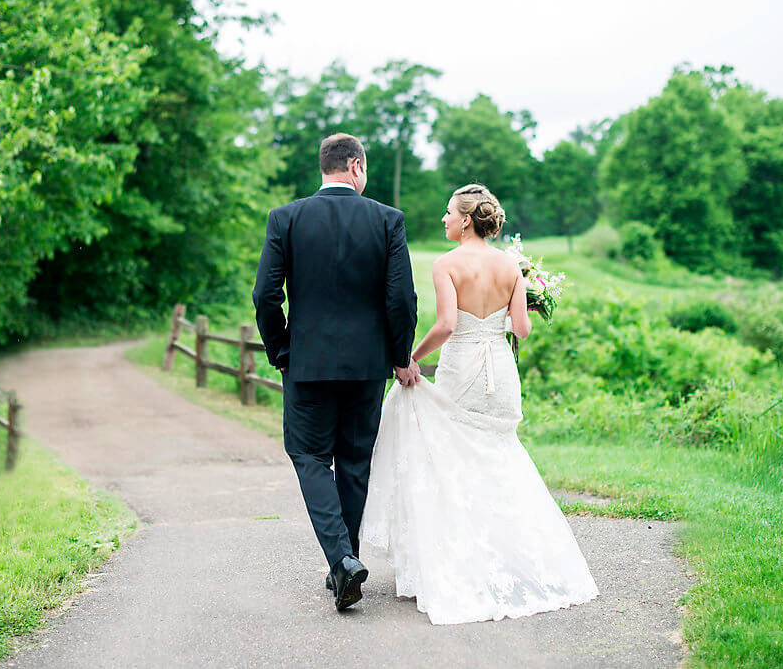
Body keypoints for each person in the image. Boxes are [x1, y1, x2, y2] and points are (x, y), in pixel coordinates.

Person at [358, 183, 600, 625]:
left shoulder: (446, 264)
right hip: (500, 371)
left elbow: (447, 324)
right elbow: (522, 330)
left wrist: (410, 358)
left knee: (451, 460)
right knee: (498, 457)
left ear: (467, 218)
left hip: (462, 368)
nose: (445, 218)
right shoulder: (512, 267)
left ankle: (460, 562)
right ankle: (518, 561)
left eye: (449, 212)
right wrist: (507, 310)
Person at [253, 133, 420, 611]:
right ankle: (346, 564)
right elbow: (401, 299)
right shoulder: (388, 220)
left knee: (308, 456)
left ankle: (342, 561)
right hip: (368, 367)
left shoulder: (286, 218)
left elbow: (265, 296)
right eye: (364, 167)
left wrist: (281, 350)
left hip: (307, 365)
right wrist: (399, 354)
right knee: (353, 463)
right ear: (354, 166)